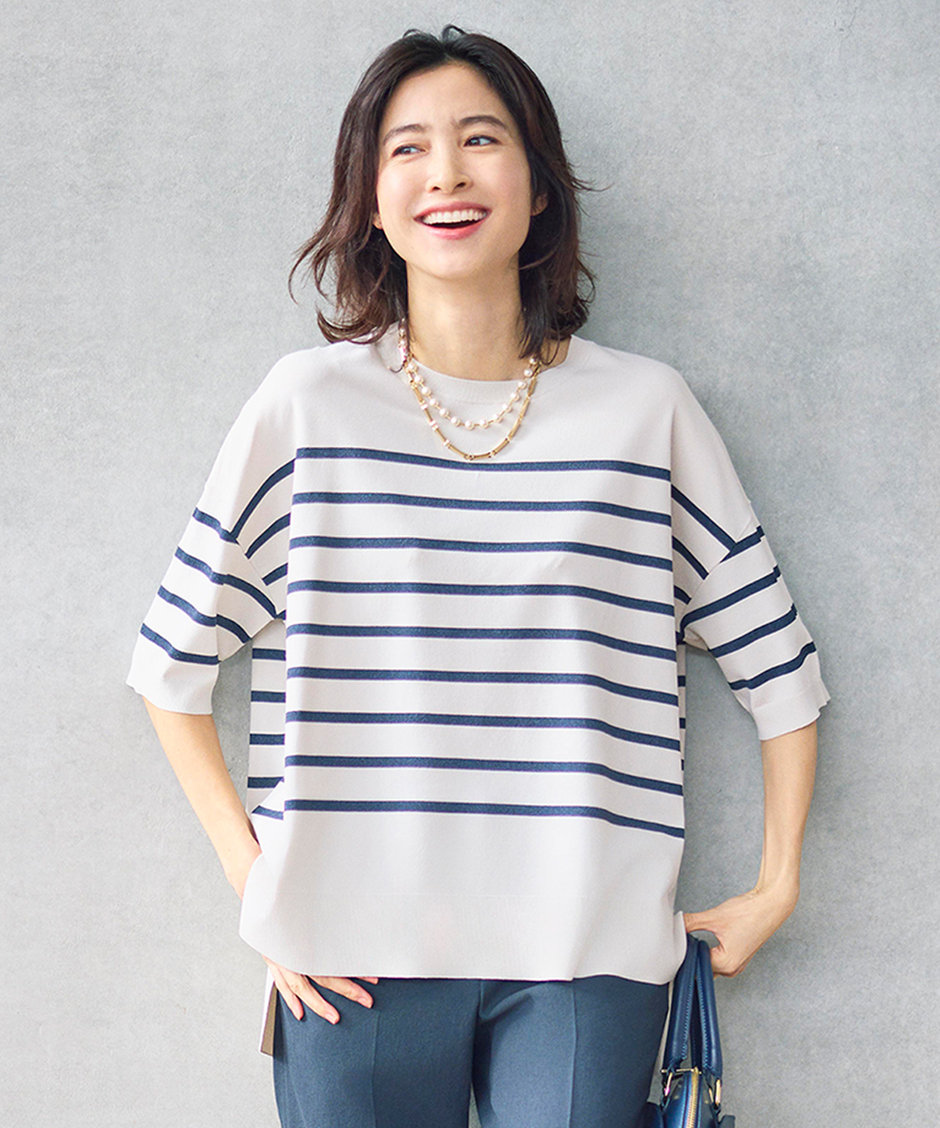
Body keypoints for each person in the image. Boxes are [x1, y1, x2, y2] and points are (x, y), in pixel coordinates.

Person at [127, 25, 829, 1128]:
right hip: (348, 952)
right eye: (406, 148)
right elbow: (171, 669)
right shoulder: (306, 407)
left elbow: (778, 667)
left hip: (587, 956)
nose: (445, 173)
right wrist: (256, 881)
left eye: (481, 139)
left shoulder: (645, 412)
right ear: (370, 199)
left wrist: (777, 884)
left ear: (539, 188)